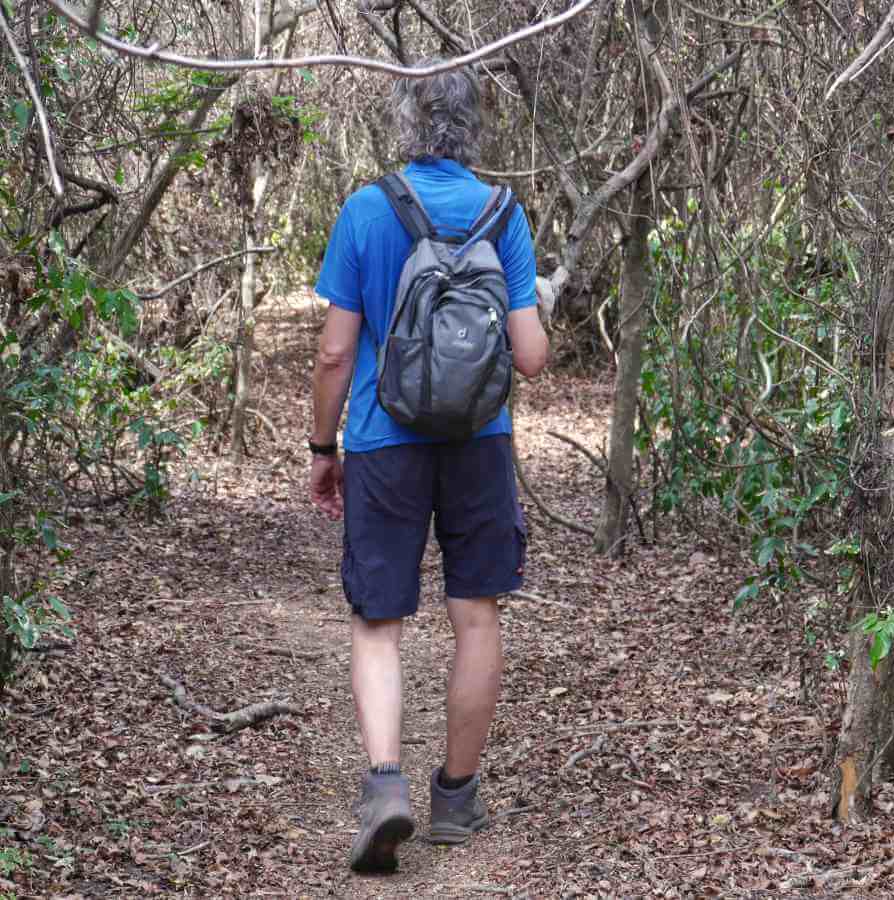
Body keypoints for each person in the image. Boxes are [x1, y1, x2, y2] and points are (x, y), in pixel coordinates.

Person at [307, 62, 548, 873]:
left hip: (385, 440)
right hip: (480, 440)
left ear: (404, 123)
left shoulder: (367, 210)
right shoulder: (502, 212)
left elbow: (337, 351)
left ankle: (385, 788)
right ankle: (456, 796)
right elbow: (533, 357)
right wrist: (535, 294)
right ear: (474, 128)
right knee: (475, 615)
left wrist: (321, 447)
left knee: (379, 620)